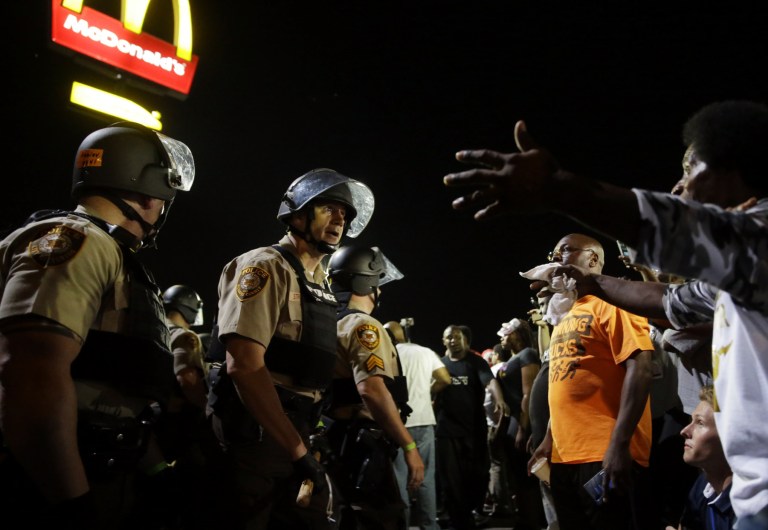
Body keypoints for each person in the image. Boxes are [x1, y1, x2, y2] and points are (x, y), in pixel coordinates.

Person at [443, 99, 768, 528]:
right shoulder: (735, 276)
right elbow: (667, 302)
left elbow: (664, 226)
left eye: (691, 168)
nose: (678, 186)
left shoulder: (759, 242)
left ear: (732, 170)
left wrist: (558, 189)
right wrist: (594, 284)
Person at [0, 122, 195, 529]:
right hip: (49, 480)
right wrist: (72, 502)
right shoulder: (76, 240)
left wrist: (156, 470)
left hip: (98, 470)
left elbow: (113, 392)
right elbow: (32, 375)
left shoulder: (114, 256)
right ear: (147, 190)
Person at [206, 168, 375, 529]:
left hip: (297, 429)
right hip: (258, 433)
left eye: (345, 213)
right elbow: (245, 366)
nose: (340, 218)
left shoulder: (319, 281)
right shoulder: (265, 266)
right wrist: (297, 451)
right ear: (298, 214)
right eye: (329, 207)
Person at [526, 234, 656, 530]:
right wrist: (549, 440)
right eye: (554, 252)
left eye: (565, 251)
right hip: (564, 455)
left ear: (593, 259)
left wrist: (619, 444)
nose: (556, 259)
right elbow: (568, 379)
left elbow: (642, 368)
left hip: (603, 451)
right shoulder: (567, 314)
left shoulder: (616, 301)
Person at [323, 245, 425, 530]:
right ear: (366, 282)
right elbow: (372, 390)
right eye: (378, 281)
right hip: (361, 442)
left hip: (334, 437)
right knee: (381, 518)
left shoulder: (328, 324)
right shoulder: (363, 325)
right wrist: (409, 444)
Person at [435, 323, 509, 530]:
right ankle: (456, 520)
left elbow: (490, 383)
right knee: (450, 480)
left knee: (477, 475)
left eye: (456, 337)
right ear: (443, 341)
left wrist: (500, 400)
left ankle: (471, 512)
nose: (452, 340)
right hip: (446, 432)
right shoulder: (439, 365)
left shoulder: (476, 362)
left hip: (473, 431)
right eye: (449, 337)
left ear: (464, 340)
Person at [384, 319, 451, 530]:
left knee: (400, 478)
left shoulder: (388, 353)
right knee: (426, 477)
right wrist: (428, 391)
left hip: (397, 423)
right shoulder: (425, 352)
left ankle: (402, 524)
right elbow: (445, 379)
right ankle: (429, 525)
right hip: (424, 420)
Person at [494, 318, 545, 530]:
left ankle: (533, 520)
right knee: (515, 475)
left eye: (506, 334)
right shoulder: (514, 357)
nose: (502, 337)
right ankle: (524, 517)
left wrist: (523, 428)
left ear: (516, 334)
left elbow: (528, 394)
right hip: (512, 422)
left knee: (527, 476)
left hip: (522, 423)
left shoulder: (528, 355)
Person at [676, 385, 735, 530]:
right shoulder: (703, 485)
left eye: (700, 423)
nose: (684, 431)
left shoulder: (750, 506)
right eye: (691, 421)